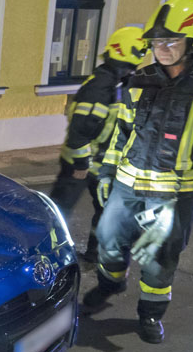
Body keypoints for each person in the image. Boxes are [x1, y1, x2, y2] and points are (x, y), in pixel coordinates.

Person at [83, 0, 193, 344]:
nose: (162, 48)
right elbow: (122, 131)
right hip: (127, 187)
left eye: (171, 40)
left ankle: (150, 315)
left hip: (171, 196)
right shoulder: (140, 79)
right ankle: (111, 284)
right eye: (157, 41)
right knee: (108, 240)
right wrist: (108, 171)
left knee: (160, 260)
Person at [49, 27, 148, 262]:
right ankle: (49, 254)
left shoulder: (118, 82)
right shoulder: (100, 86)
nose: (140, 61)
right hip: (81, 164)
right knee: (59, 210)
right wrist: (82, 162)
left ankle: (94, 255)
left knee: (105, 211)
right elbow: (79, 128)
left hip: (103, 163)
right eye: (138, 54)